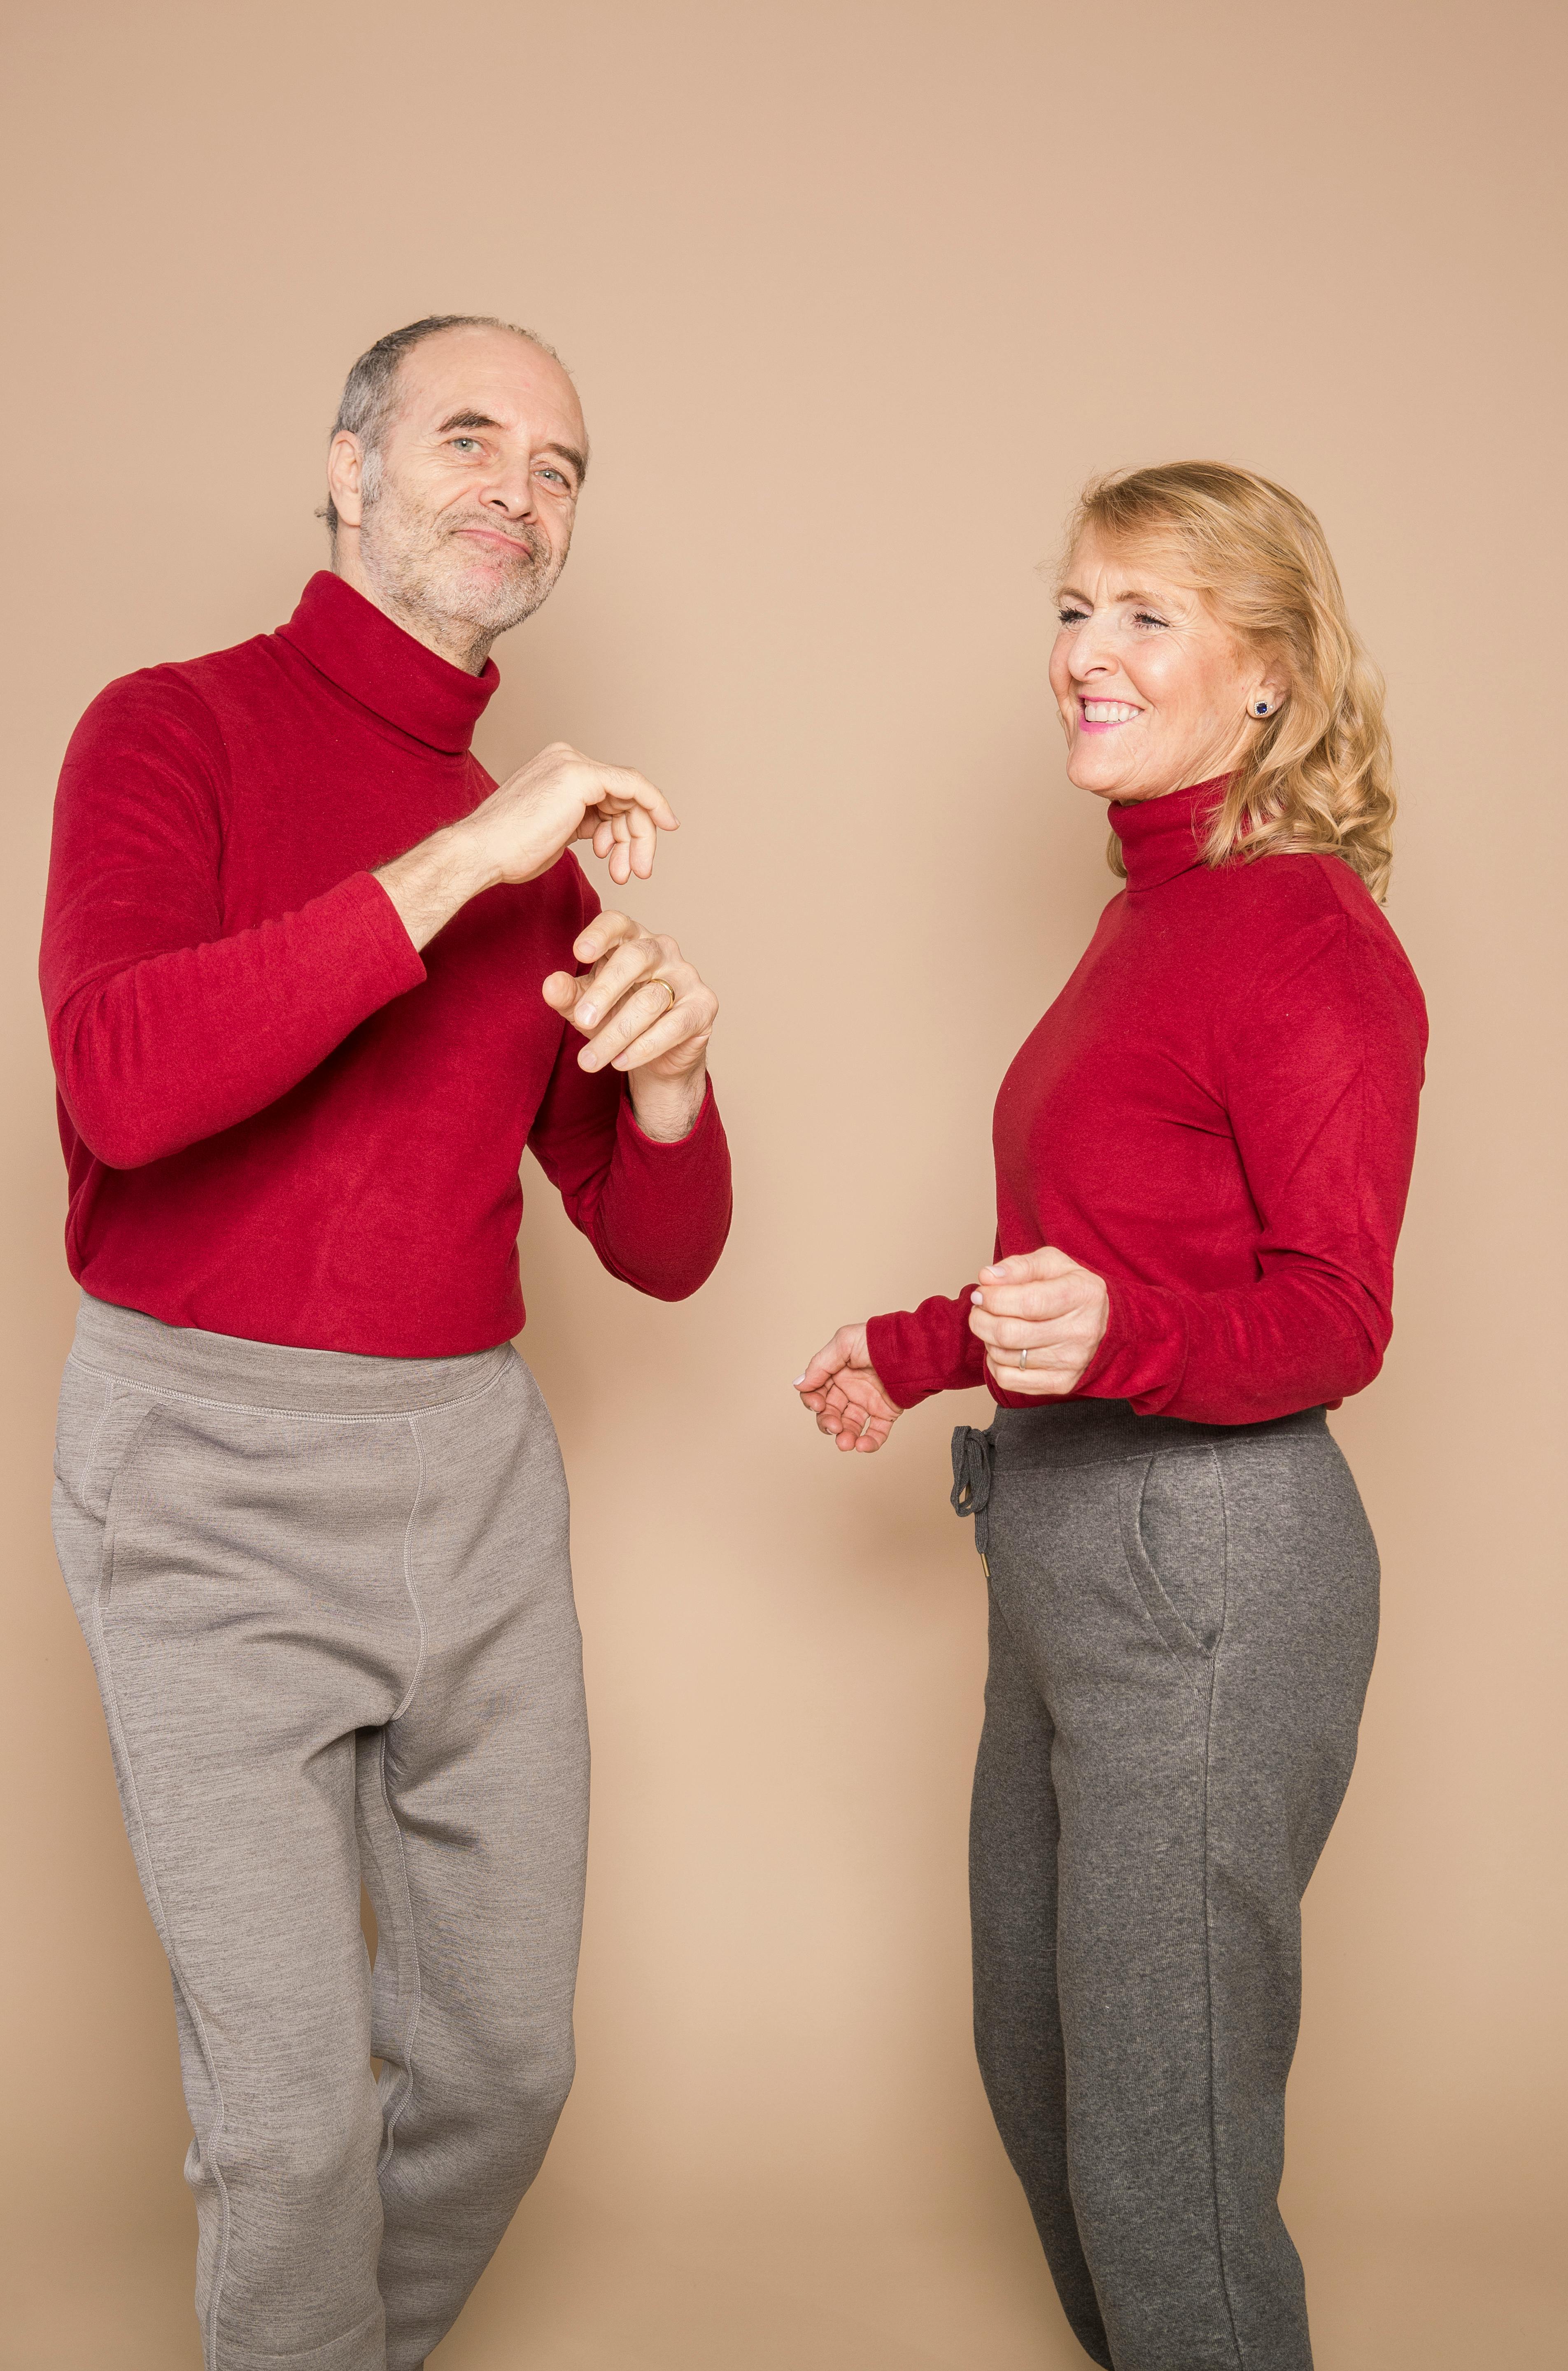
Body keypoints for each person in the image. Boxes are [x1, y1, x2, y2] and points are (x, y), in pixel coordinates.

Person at [40, 314, 731, 2371]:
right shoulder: (167, 732)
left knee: (507, 2067)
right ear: (346, 469)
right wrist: (459, 859)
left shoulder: (542, 844)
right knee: (288, 2121)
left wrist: (678, 1088)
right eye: (468, 436)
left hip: (473, 1485)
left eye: (562, 463)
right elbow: (121, 1089)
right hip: (205, 1477)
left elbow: (666, 1251)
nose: (517, 487)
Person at [796, 462, 1426, 2371]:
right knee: (1044, 2067)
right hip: (1070, 1553)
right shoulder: (1146, 920)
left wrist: (1117, 1332)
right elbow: (1098, 1260)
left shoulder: (1305, 936)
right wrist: (913, 1349)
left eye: (1146, 614)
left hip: (1214, 1571)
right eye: (1075, 607)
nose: (1084, 653)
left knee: (1170, 2149)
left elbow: (1334, 1315)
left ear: (1274, 681)